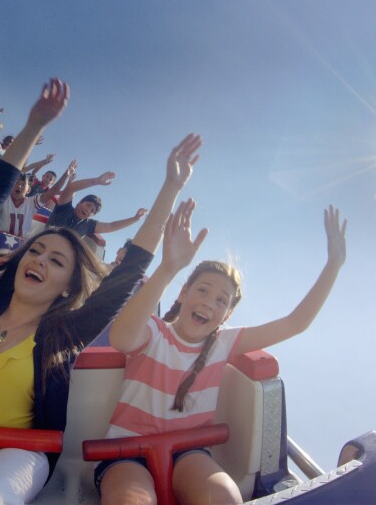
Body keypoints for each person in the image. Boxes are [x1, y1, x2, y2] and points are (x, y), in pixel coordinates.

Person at [0, 80, 202, 504]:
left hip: (18, 456)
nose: (40, 261)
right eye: (37, 250)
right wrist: (33, 127)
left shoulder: (63, 334)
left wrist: (171, 189)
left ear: (68, 286)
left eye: (56, 261)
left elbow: (130, 271)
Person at [96, 202, 348, 504]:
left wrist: (333, 264)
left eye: (221, 300)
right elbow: (121, 338)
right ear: (183, 293)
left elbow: (295, 323)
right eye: (202, 290)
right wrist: (168, 268)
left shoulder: (223, 344)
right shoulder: (153, 330)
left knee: (223, 496)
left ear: (226, 315)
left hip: (189, 453)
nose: (209, 302)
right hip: (126, 452)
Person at [48, 169, 147, 238]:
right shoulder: (64, 208)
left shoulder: (88, 225)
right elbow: (71, 188)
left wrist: (134, 219)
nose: (88, 210)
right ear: (79, 202)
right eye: (89, 205)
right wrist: (97, 181)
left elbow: (111, 226)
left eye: (92, 211)